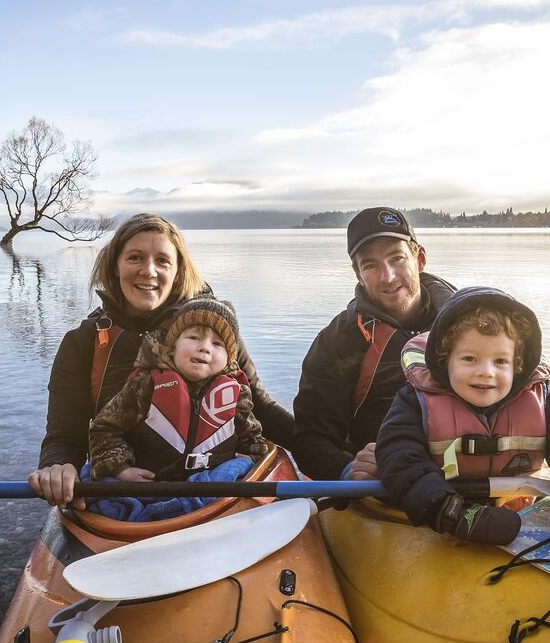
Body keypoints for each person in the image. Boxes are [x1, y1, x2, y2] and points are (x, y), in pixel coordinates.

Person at [28, 213, 293, 508]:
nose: (148, 271)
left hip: (215, 494)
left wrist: (325, 455)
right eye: (135, 258)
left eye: (163, 261)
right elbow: (65, 436)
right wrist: (57, 465)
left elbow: (261, 409)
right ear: (115, 266)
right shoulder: (81, 342)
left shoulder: (215, 333)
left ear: (178, 272)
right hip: (122, 488)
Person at [376, 286, 550, 550]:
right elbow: (400, 460)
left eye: (500, 361)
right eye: (469, 358)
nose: (486, 372)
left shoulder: (549, 399)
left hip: (519, 506)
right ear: (445, 360)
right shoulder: (414, 402)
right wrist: (451, 513)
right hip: (450, 513)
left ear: (517, 364)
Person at [293, 207, 455, 481]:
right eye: (370, 265)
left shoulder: (472, 324)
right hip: (379, 487)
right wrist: (348, 469)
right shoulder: (337, 341)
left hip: (466, 481)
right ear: (357, 274)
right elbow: (310, 439)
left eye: (397, 258)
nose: (387, 276)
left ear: (420, 258)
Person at [88, 297, 267, 482]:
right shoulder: (145, 385)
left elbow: (252, 441)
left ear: (229, 358)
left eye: (217, 344)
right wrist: (120, 468)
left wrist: (248, 460)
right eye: (194, 337)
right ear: (173, 347)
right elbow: (104, 428)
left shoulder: (237, 395)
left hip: (212, 487)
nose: (204, 348)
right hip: (149, 485)